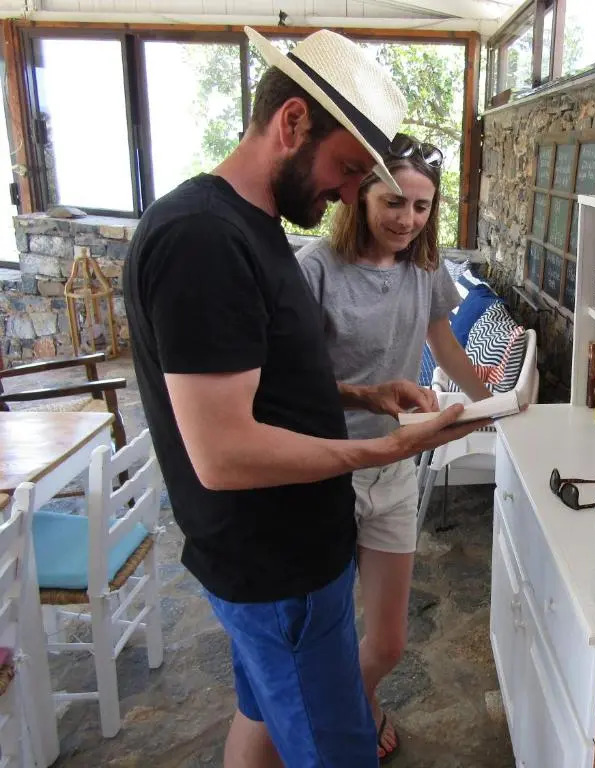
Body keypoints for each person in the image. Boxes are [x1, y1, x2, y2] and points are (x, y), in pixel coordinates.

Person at [123, 27, 483, 768]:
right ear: (292, 122)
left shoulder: (249, 228)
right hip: (276, 569)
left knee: (261, 722)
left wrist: (363, 393)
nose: (350, 193)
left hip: (287, 561)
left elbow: (263, 388)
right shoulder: (202, 240)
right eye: (348, 168)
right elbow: (224, 453)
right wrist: (389, 448)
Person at [298, 138, 491, 762]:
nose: (407, 219)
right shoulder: (315, 269)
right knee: (317, 638)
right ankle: (341, 719)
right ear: (359, 196)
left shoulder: (424, 270)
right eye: (393, 202)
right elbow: (289, 382)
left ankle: (357, 697)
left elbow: (445, 344)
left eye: (422, 206)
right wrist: (365, 399)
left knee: (387, 643)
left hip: (396, 469)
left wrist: (493, 403)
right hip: (325, 471)